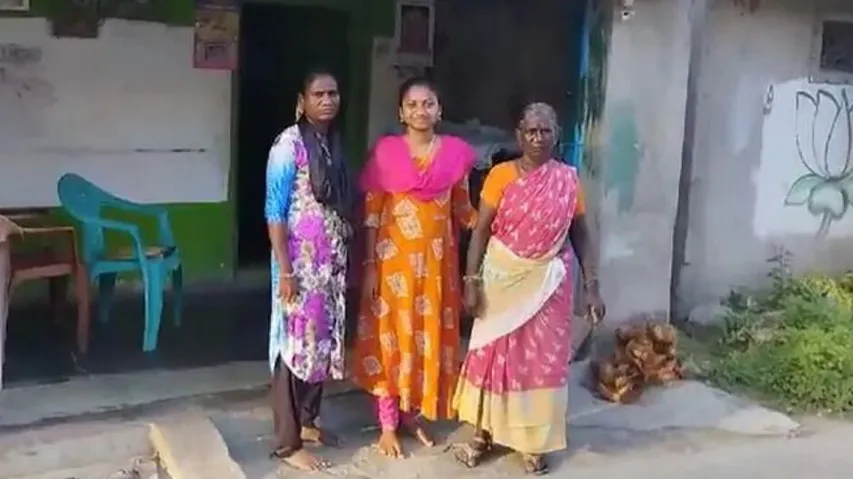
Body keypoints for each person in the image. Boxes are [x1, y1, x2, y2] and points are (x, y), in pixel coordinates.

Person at [451, 102, 605, 475]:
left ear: (557, 135)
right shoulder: (501, 175)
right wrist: (471, 282)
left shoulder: (568, 180)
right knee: (493, 357)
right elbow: (480, 232)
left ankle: (532, 443)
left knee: (541, 364)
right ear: (519, 136)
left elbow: (581, 234)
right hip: (502, 279)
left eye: (545, 131)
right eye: (531, 131)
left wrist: (592, 286)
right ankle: (482, 434)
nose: (538, 138)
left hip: (549, 285)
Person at [353, 76, 478, 458]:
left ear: (439, 110)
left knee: (425, 340)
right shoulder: (386, 154)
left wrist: (506, 217)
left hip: (438, 272)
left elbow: (465, 212)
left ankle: (412, 414)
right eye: (412, 104)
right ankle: (388, 424)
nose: (420, 111)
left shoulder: (455, 156)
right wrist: (370, 267)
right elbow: (372, 216)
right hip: (393, 269)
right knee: (391, 340)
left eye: (428, 104)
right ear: (401, 112)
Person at [264, 68, 355, 471]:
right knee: (292, 344)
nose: (327, 100)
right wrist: (285, 270)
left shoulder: (332, 143)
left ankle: (308, 421)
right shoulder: (288, 145)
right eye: (318, 94)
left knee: (320, 342)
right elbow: (274, 211)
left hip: (328, 266)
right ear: (302, 102)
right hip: (298, 266)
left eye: (333, 93)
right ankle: (288, 443)